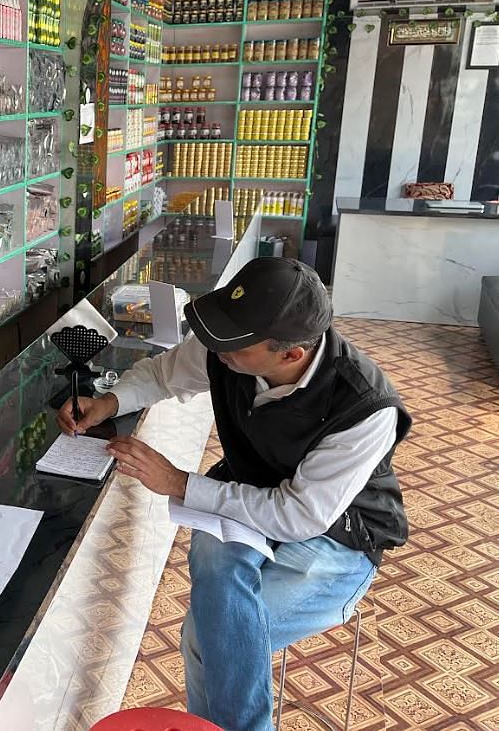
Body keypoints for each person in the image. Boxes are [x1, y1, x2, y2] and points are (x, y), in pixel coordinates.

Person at [58, 257, 410, 731]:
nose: (216, 350)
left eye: (235, 344)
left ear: (291, 355)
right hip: (254, 498)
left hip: (338, 539)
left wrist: (180, 483)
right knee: (213, 585)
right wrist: (109, 401)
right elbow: (163, 374)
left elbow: (299, 516)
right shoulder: (226, 351)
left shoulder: (364, 406)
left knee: (207, 637)